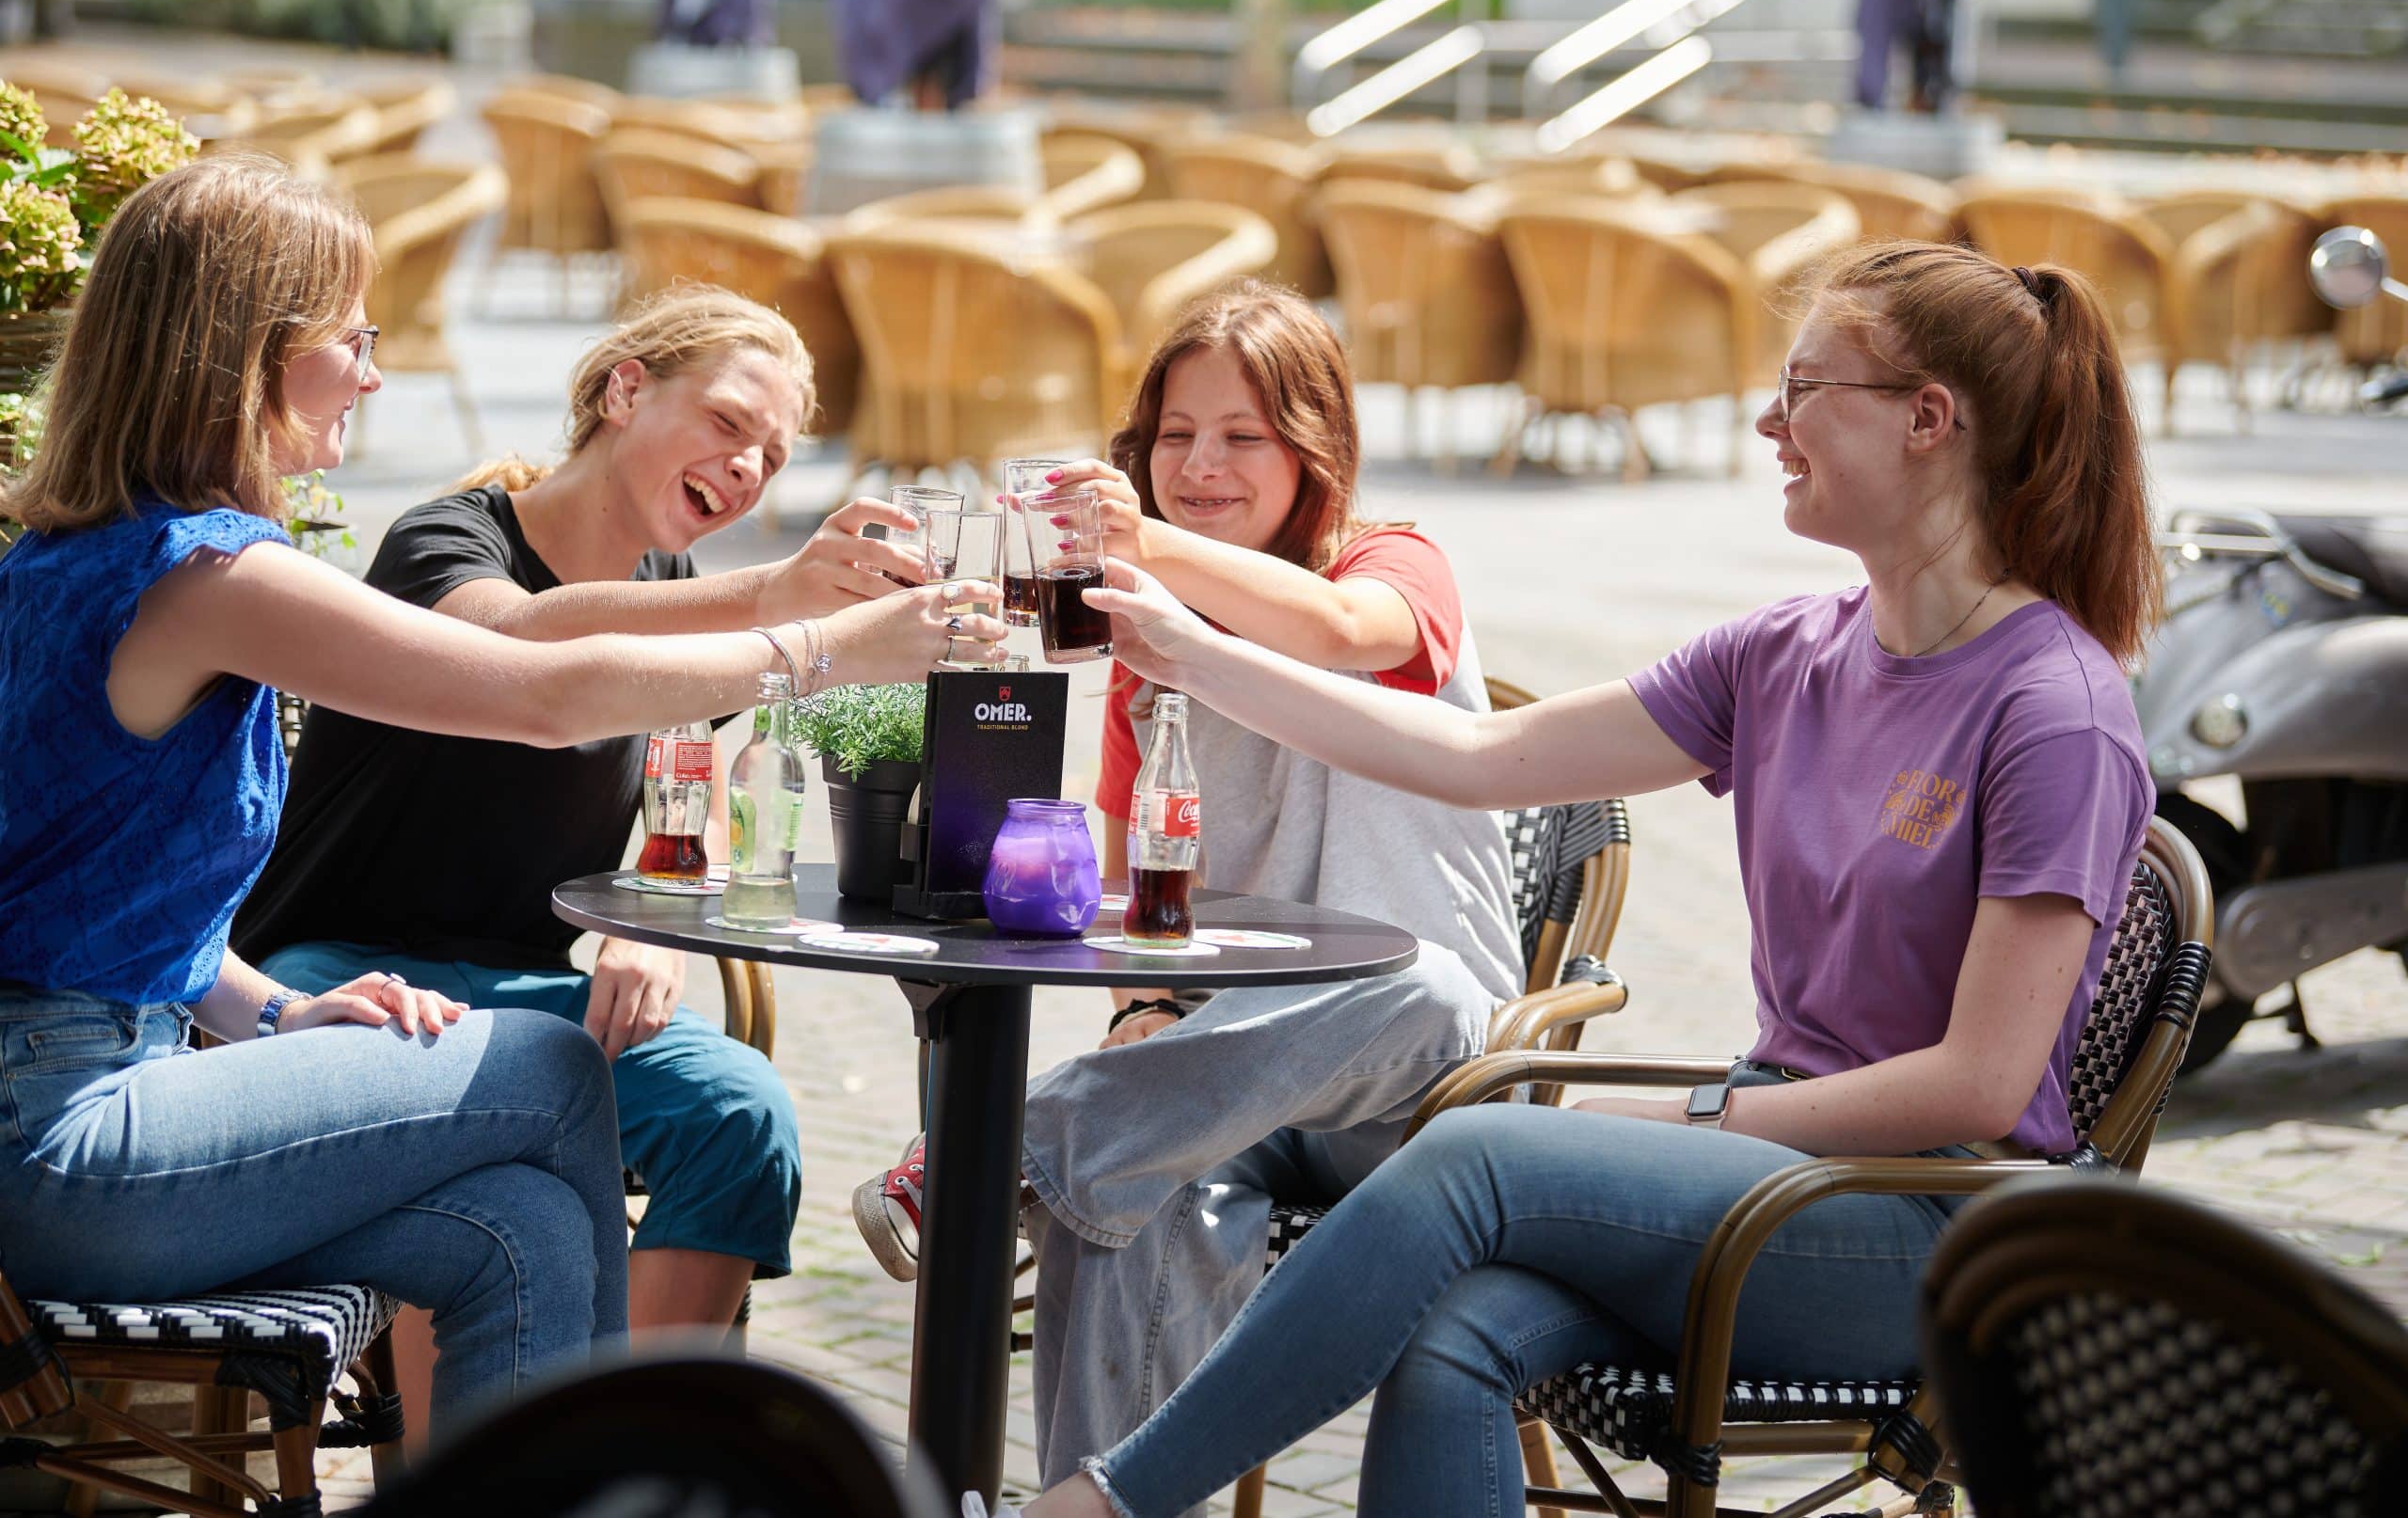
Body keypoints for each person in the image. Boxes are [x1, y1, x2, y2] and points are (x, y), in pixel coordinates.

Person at [992, 241, 2162, 1516]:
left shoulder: (2056, 708)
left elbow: (1982, 1079)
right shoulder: (1786, 651)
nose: (1769, 419)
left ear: (1929, 421)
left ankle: (1101, 1504)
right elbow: (1481, 753)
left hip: (1936, 1221)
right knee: (1457, 1330)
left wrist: (1694, 1119)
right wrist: (1182, 649)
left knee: (1483, 1151)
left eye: (1806, 385)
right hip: (1773, 1174)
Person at [0, 154, 1006, 1432]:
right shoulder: (208, 573)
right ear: (247, 347)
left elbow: (97, 891)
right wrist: (824, 646)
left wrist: (282, 1014)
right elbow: (541, 688)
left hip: (93, 1099)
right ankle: (609, 1475)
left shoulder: (88, 549)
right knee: (550, 1065)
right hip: (67, 1146)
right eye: (352, 337)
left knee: (519, 1223)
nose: (374, 371)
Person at [852, 283, 1522, 1502]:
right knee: (1131, 1187)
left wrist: (1142, 543)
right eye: (1174, 436)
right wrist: (1137, 1011)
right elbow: (1133, 903)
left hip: (1420, 1082)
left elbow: (1343, 630)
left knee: (1410, 981)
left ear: (1312, 449)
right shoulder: (1146, 658)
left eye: (1241, 435)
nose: (1200, 463)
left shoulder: (1394, 559)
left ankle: (999, 1145)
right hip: (1228, 1079)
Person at [235, 287, 927, 1360]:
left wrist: (646, 927)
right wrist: (777, 600)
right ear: (624, 390)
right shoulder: (447, 541)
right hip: (332, 970)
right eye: (728, 424)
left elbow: (678, 813)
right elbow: (522, 646)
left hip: (522, 987)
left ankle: (604, 1446)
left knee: (740, 1115)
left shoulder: (674, 585)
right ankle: (476, 1468)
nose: (747, 467)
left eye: (774, 457)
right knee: (497, 1141)